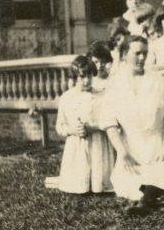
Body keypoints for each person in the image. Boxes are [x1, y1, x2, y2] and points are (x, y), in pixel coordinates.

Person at [101, 36, 164, 201]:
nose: (142, 58)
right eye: (137, 53)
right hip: (130, 150)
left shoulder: (158, 81)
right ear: (124, 55)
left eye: (145, 53)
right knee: (129, 188)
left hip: (158, 149)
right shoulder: (116, 84)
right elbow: (109, 123)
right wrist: (123, 153)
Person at [45, 56, 114, 194]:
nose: (86, 80)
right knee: (79, 176)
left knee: (98, 176)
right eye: (82, 77)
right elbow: (60, 126)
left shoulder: (101, 96)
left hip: (98, 143)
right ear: (74, 77)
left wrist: (93, 127)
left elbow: (109, 121)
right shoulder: (66, 98)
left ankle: (98, 183)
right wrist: (72, 130)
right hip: (76, 146)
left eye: (89, 76)